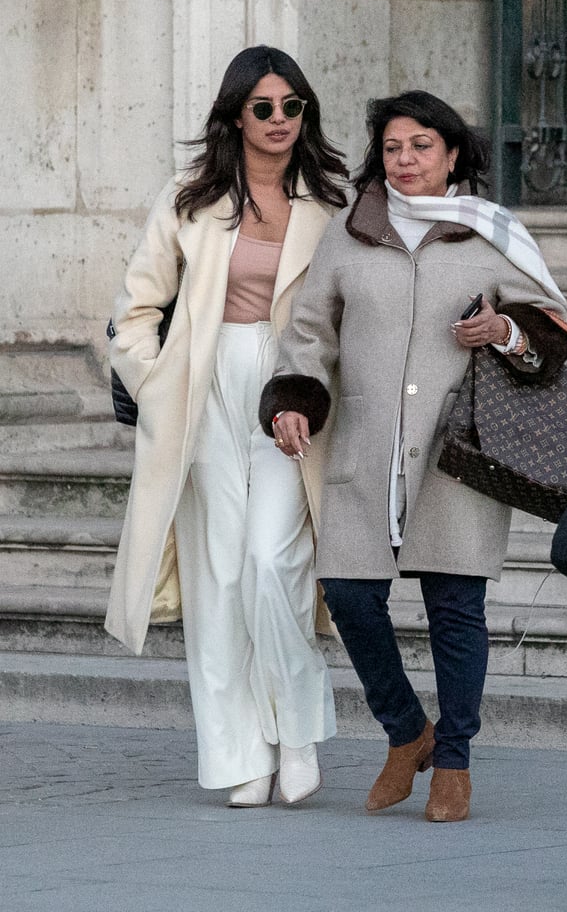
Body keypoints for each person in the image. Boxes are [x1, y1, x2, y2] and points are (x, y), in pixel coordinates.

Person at [259, 90, 567, 822]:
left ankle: (454, 761)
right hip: (364, 448)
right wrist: (293, 401)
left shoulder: (492, 234)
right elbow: (309, 332)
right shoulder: (349, 231)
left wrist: (502, 330)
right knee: (350, 596)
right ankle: (407, 732)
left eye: (421, 146)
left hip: (457, 451)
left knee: (455, 608)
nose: (405, 160)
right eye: (394, 148)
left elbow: (550, 335)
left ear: (453, 154)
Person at [104, 45, 348, 808]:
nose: (279, 121)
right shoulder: (190, 197)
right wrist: (157, 381)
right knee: (220, 577)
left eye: (292, 107)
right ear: (236, 115)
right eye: (263, 108)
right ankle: (239, 752)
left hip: (292, 392)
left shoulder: (331, 203)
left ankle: (298, 729)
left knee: (274, 562)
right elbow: (135, 309)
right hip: (204, 387)